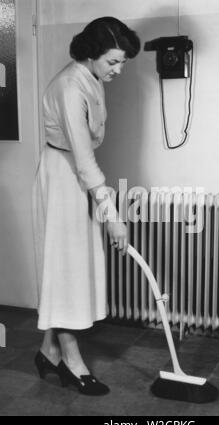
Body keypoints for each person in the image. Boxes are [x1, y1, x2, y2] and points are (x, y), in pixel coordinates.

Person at [32, 17, 140, 396]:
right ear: (93, 53)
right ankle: (71, 360)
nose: (119, 69)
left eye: (123, 62)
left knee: (73, 266)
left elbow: (86, 157)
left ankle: (48, 351)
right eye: (113, 61)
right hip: (64, 178)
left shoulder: (91, 77)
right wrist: (113, 217)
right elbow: (82, 159)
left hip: (77, 174)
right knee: (67, 269)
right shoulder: (69, 87)